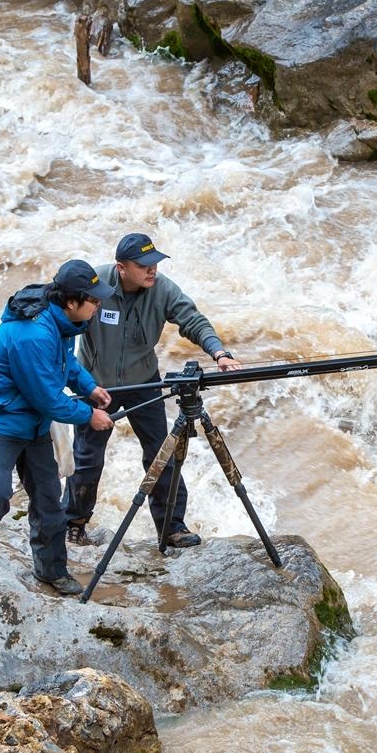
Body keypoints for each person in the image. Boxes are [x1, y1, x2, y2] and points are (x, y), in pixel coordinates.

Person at [0, 260, 115, 595]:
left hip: (32, 421)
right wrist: (88, 415)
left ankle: (51, 570)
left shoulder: (62, 323)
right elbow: (48, 399)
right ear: (71, 301)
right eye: (94, 300)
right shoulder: (33, 334)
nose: (99, 305)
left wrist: (89, 386)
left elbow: (66, 364)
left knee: (49, 500)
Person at [63, 233, 242, 548]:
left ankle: (171, 527)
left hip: (144, 383)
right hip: (94, 385)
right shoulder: (95, 285)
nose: (152, 270)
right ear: (121, 267)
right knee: (88, 458)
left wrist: (219, 353)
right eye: (144, 265)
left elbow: (193, 320)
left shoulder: (162, 290)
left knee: (162, 453)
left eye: (155, 263)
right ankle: (74, 524)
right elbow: (64, 320)